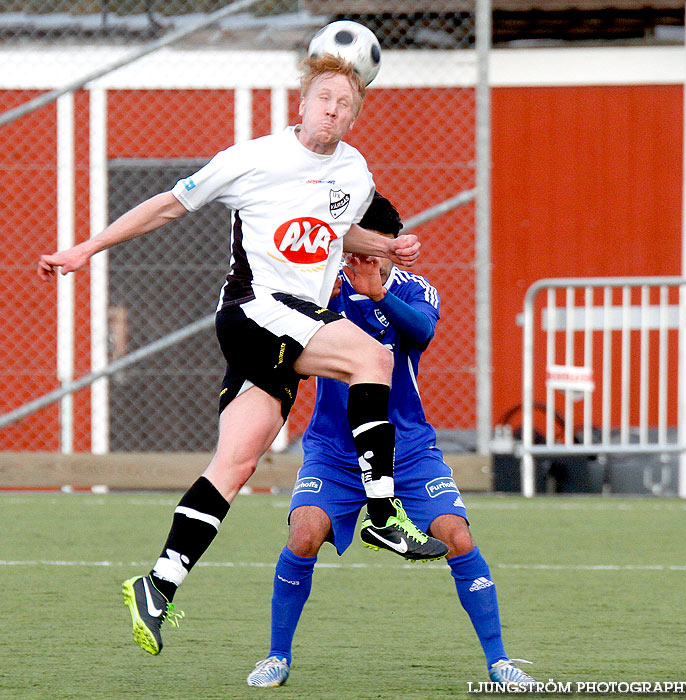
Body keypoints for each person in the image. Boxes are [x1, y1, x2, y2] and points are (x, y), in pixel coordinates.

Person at [38, 54, 447, 657]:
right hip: (258, 311)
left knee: (234, 464)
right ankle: (384, 514)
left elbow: (335, 230)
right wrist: (87, 248)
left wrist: (388, 245)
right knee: (373, 358)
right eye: (325, 98)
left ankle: (158, 584)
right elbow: (167, 205)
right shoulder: (252, 159)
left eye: (347, 105)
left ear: (354, 117)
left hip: (290, 327)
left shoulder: (354, 173)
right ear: (301, 103)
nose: (334, 110)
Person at [246, 192, 537, 689]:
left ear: (389, 246)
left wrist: (379, 294)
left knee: (458, 536)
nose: (359, 254)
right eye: (350, 240)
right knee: (303, 534)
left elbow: (423, 331)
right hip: (334, 451)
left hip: (407, 450)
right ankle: (276, 657)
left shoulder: (415, 288)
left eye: (371, 244)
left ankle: (500, 662)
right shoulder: (320, 287)